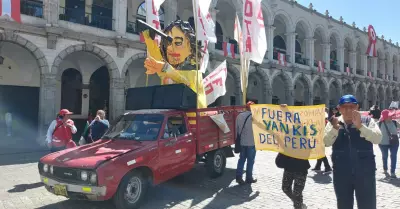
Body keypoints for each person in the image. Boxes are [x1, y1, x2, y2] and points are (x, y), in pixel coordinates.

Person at [324, 95, 382, 209]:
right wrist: (334, 129)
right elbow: (326, 142)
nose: (349, 110)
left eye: (352, 106)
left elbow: (377, 138)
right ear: (339, 109)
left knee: (367, 204)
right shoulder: (333, 123)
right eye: (345, 107)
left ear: (357, 107)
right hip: (341, 173)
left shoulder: (367, 121)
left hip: (365, 173)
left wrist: (360, 126)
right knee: (343, 205)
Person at [276, 104, 309, 209]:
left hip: (301, 168)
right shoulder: (288, 131)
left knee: (297, 192)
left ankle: (298, 206)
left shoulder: (305, 132)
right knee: (285, 188)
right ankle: (299, 204)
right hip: (289, 166)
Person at [235, 101, 257, 184]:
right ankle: (249, 178)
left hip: (242, 142)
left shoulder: (239, 116)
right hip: (251, 142)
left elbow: (236, 129)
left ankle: (239, 177)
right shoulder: (255, 117)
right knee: (250, 161)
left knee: (241, 160)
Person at [377, 109, 399, 178]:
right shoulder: (379, 123)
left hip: (394, 143)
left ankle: (392, 172)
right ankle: (385, 169)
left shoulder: (395, 122)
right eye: (389, 116)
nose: (391, 117)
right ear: (385, 117)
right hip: (383, 143)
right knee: (385, 156)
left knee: (393, 156)